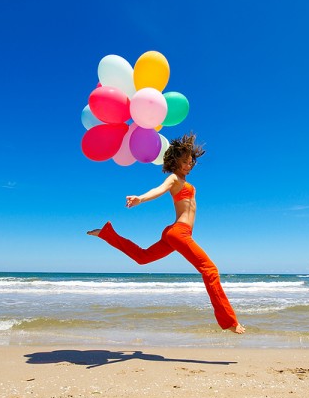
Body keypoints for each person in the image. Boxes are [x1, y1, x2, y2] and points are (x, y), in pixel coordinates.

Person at [87, 132, 245, 334]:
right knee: (210, 270)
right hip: (179, 233)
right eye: (185, 161)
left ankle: (106, 234)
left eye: (191, 161)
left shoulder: (185, 181)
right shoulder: (174, 179)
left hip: (176, 234)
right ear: (175, 162)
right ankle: (230, 322)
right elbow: (159, 189)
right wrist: (140, 199)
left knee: (142, 258)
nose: (189, 165)